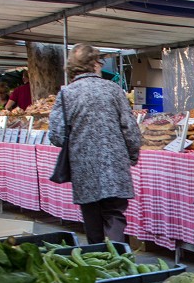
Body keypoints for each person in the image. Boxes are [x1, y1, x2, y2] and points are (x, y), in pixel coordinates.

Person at [48, 44, 142, 243]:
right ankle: (120, 255)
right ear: (94, 64)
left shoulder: (66, 94)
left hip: (83, 166)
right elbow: (130, 128)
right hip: (114, 163)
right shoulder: (113, 89)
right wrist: (132, 155)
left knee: (91, 218)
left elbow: (56, 135)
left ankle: (98, 255)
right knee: (114, 214)